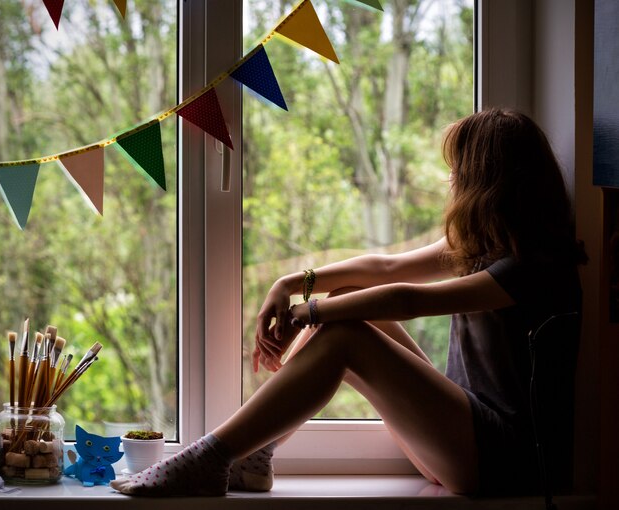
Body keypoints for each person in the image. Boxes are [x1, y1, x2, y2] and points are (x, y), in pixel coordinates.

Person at [110, 108, 586, 497]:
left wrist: (308, 313)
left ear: (488, 182)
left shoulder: (534, 267)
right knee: (349, 298)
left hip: (507, 464)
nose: (451, 182)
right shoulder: (485, 248)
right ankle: (253, 458)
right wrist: (292, 283)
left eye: (458, 172)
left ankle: (213, 457)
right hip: (464, 443)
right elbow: (384, 269)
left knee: (345, 333)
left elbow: (409, 299)